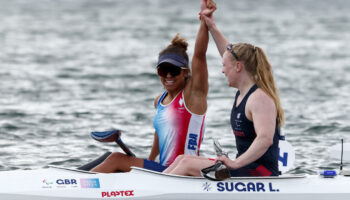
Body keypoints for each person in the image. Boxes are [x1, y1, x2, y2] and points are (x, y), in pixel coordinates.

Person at [163, 0, 284, 177]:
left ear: (238, 67)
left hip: (260, 174)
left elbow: (265, 139)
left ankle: (151, 190)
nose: (222, 70)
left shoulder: (260, 98)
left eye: (224, 66)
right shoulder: (245, 92)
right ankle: (149, 185)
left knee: (187, 163)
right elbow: (229, 53)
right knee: (182, 159)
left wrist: (235, 163)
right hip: (244, 169)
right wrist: (211, 25)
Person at [91, 1, 212, 173]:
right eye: (163, 70)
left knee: (115, 159)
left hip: (184, 174)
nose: (168, 76)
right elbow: (159, 134)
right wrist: (149, 160)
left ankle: (74, 188)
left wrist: (204, 22)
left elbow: (199, 56)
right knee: (110, 157)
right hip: (164, 170)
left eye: (174, 70)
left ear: (186, 72)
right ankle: (76, 179)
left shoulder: (193, 97)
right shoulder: (159, 101)